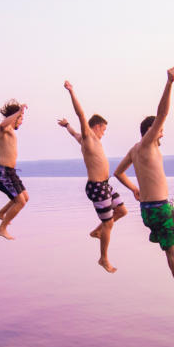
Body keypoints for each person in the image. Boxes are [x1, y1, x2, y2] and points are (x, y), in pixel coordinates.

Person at [114, 67, 174, 315]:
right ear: (150, 131)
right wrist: (169, 83)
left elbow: (118, 173)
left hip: (150, 208)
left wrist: (135, 189)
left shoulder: (135, 150)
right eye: (158, 129)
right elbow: (163, 112)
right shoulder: (146, 145)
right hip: (159, 208)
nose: (162, 132)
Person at [58, 80, 128, 272]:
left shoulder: (85, 139)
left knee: (122, 211)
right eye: (103, 129)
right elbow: (81, 114)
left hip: (105, 185)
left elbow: (73, 133)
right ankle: (103, 259)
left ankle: (97, 230)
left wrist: (67, 126)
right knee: (109, 224)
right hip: (97, 187)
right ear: (95, 126)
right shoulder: (89, 137)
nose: (104, 133)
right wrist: (72, 91)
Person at [0, 99, 29, 240]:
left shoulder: (1, 128)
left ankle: (0, 214)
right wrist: (19, 112)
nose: (22, 122)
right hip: (3, 172)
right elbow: (4, 123)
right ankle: (2, 228)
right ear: (15, 117)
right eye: (21, 119)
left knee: (25, 198)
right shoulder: (5, 128)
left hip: (10, 172)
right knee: (20, 202)